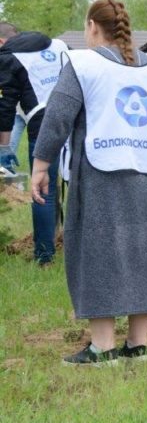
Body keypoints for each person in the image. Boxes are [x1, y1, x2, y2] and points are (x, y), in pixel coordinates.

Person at [30, 0, 147, 365]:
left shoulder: (83, 63)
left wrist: (41, 166)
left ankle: (102, 347)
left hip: (100, 174)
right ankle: (138, 344)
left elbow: (57, 117)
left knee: (96, 251)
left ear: (92, 26)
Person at [0, 21, 69, 265]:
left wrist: (4, 147)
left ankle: (44, 257)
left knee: (42, 190)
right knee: (75, 186)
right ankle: (72, 244)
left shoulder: (8, 57)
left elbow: (5, 104)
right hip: (77, 117)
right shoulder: (59, 45)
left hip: (43, 123)